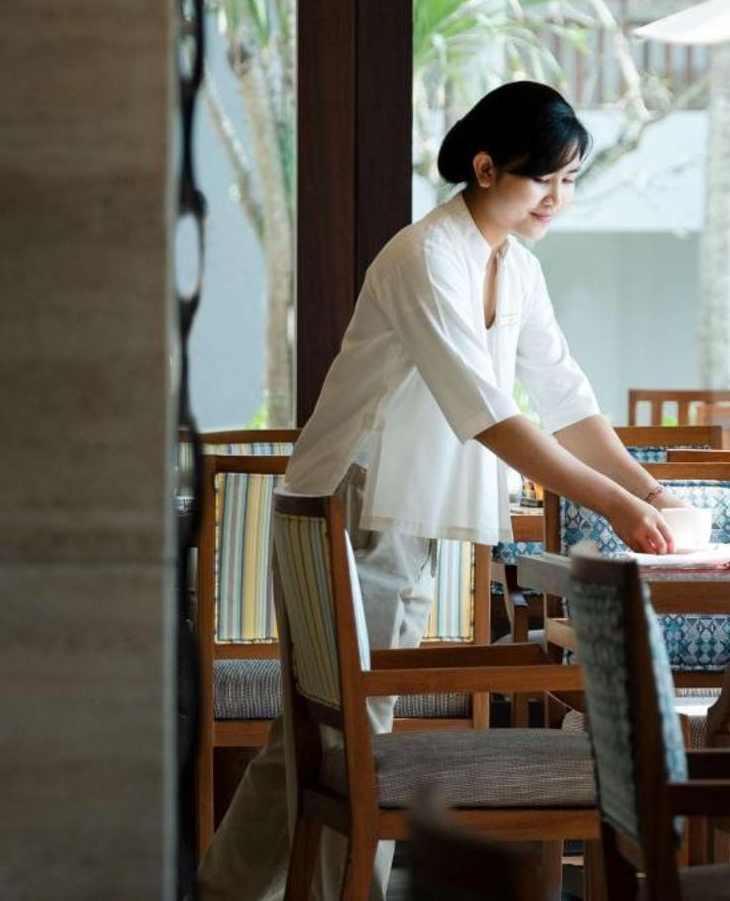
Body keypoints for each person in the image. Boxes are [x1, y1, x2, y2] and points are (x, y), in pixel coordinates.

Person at [198, 81, 682, 901]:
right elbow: (488, 414)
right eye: (544, 180)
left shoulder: (514, 268)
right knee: (351, 734)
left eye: (571, 181)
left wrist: (647, 490)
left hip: (400, 507)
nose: (557, 200)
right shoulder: (425, 256)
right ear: (487, 167)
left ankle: (223, 889)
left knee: (317, 739)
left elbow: (564, 396)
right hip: (348, 505)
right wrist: (612, 504)